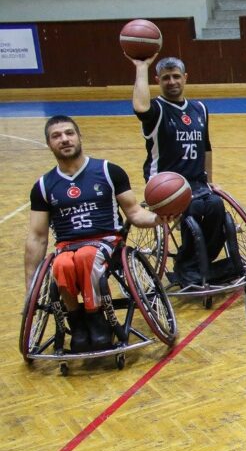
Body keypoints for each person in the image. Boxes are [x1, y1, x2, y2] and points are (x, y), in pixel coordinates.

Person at [25, 115, 166, 352]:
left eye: (69, 133)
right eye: (56, 136)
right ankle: (78, 323)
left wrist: (158, 219)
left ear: (80, 137)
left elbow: (134, 212)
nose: (64, 139)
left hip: (107, 242)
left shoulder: (109, 171)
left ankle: (97, 319)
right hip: (67, 245)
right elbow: (37, 237)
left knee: (86, 256)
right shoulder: (43, 186)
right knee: (61, 265)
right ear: (49, 144)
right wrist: (31, 286)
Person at [131, 54, 226, 287]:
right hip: (165, 184)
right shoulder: (156, 111)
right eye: (165, 78)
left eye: (176, 77)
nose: (171, 82)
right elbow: (140, 107)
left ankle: (198, 262)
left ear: (185, 78)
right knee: (192, 207)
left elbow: (206, 147)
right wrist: (141, 67)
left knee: (216, 206)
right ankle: (187, 264)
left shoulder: (199, 108)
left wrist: (209, 180)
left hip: (196, 182)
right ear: (158, 81)